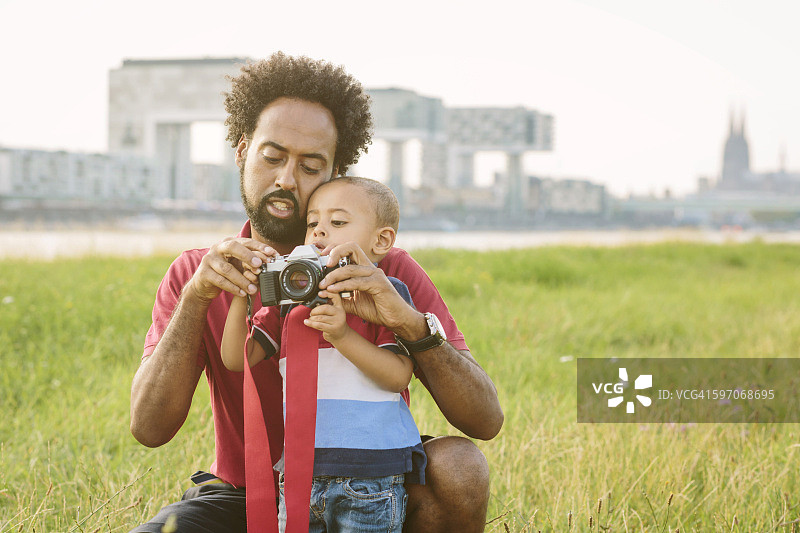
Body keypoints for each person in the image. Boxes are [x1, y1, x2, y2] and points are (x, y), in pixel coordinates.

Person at [130, 52, 503, 533]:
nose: (287, 179)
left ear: (334, 172)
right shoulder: (200, 273)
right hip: (247, 494)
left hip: (370, 485)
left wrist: (407, 323)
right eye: (272, 157)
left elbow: (485, 420)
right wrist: (198, 298)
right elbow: (149, 428)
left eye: (311, 165)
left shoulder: (386, 268)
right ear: (242, 151)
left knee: (458, 466)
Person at [221, 177, 424, 532]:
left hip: (370, 475)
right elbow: (237, 359)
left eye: (338, 222)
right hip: (299, 472)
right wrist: (243, 292)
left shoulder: (386, 294)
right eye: (312, 223)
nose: (319, 232)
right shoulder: (289, 298)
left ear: (381, 241)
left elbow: (397, 376)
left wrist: (343, 336)